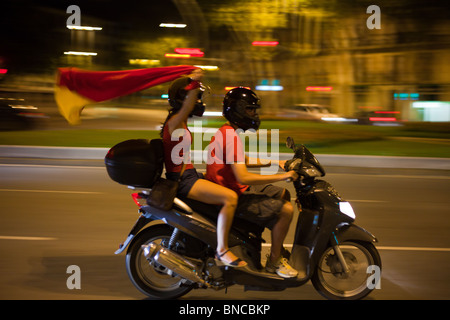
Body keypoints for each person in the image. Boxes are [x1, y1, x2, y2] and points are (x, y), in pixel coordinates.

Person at [205, 87, 299, 278]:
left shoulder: (226, 131)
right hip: (232, 193)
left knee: (282, 194)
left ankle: (256, 238)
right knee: (286, 210)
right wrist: (283, 176)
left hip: (233, 187)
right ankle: (274, 262)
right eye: (250, 109)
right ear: (238, 109)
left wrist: (275, 162)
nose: (254, 114)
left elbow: (241, 160)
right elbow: (243, 177)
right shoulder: (230, 135)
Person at [160, 69, 247, 268]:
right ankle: (222, 251)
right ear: (184, 99)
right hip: (182, 180)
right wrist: (194, 82)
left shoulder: (179, 121)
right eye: (196, 97)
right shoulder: (175, 121)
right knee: (230, 198)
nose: (199, 101)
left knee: (230, 189)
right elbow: (188, 104)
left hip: (189, 175)